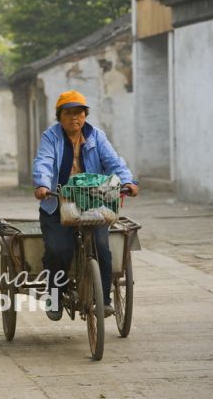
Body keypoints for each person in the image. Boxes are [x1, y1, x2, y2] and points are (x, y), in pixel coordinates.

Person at [33, 90, 138, 321]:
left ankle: (105, 300)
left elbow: (113, 162)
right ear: (59, 116)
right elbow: (44, 161)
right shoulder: (51, 137)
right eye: (68, 113)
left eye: (79, 113)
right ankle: (55, 295)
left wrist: (128, 181)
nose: (74, 118)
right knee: (59, 250)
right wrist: (41, 183)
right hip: (58, 202)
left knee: (102, 246)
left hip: (93, 203)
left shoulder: (96, 136)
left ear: (85, 115)